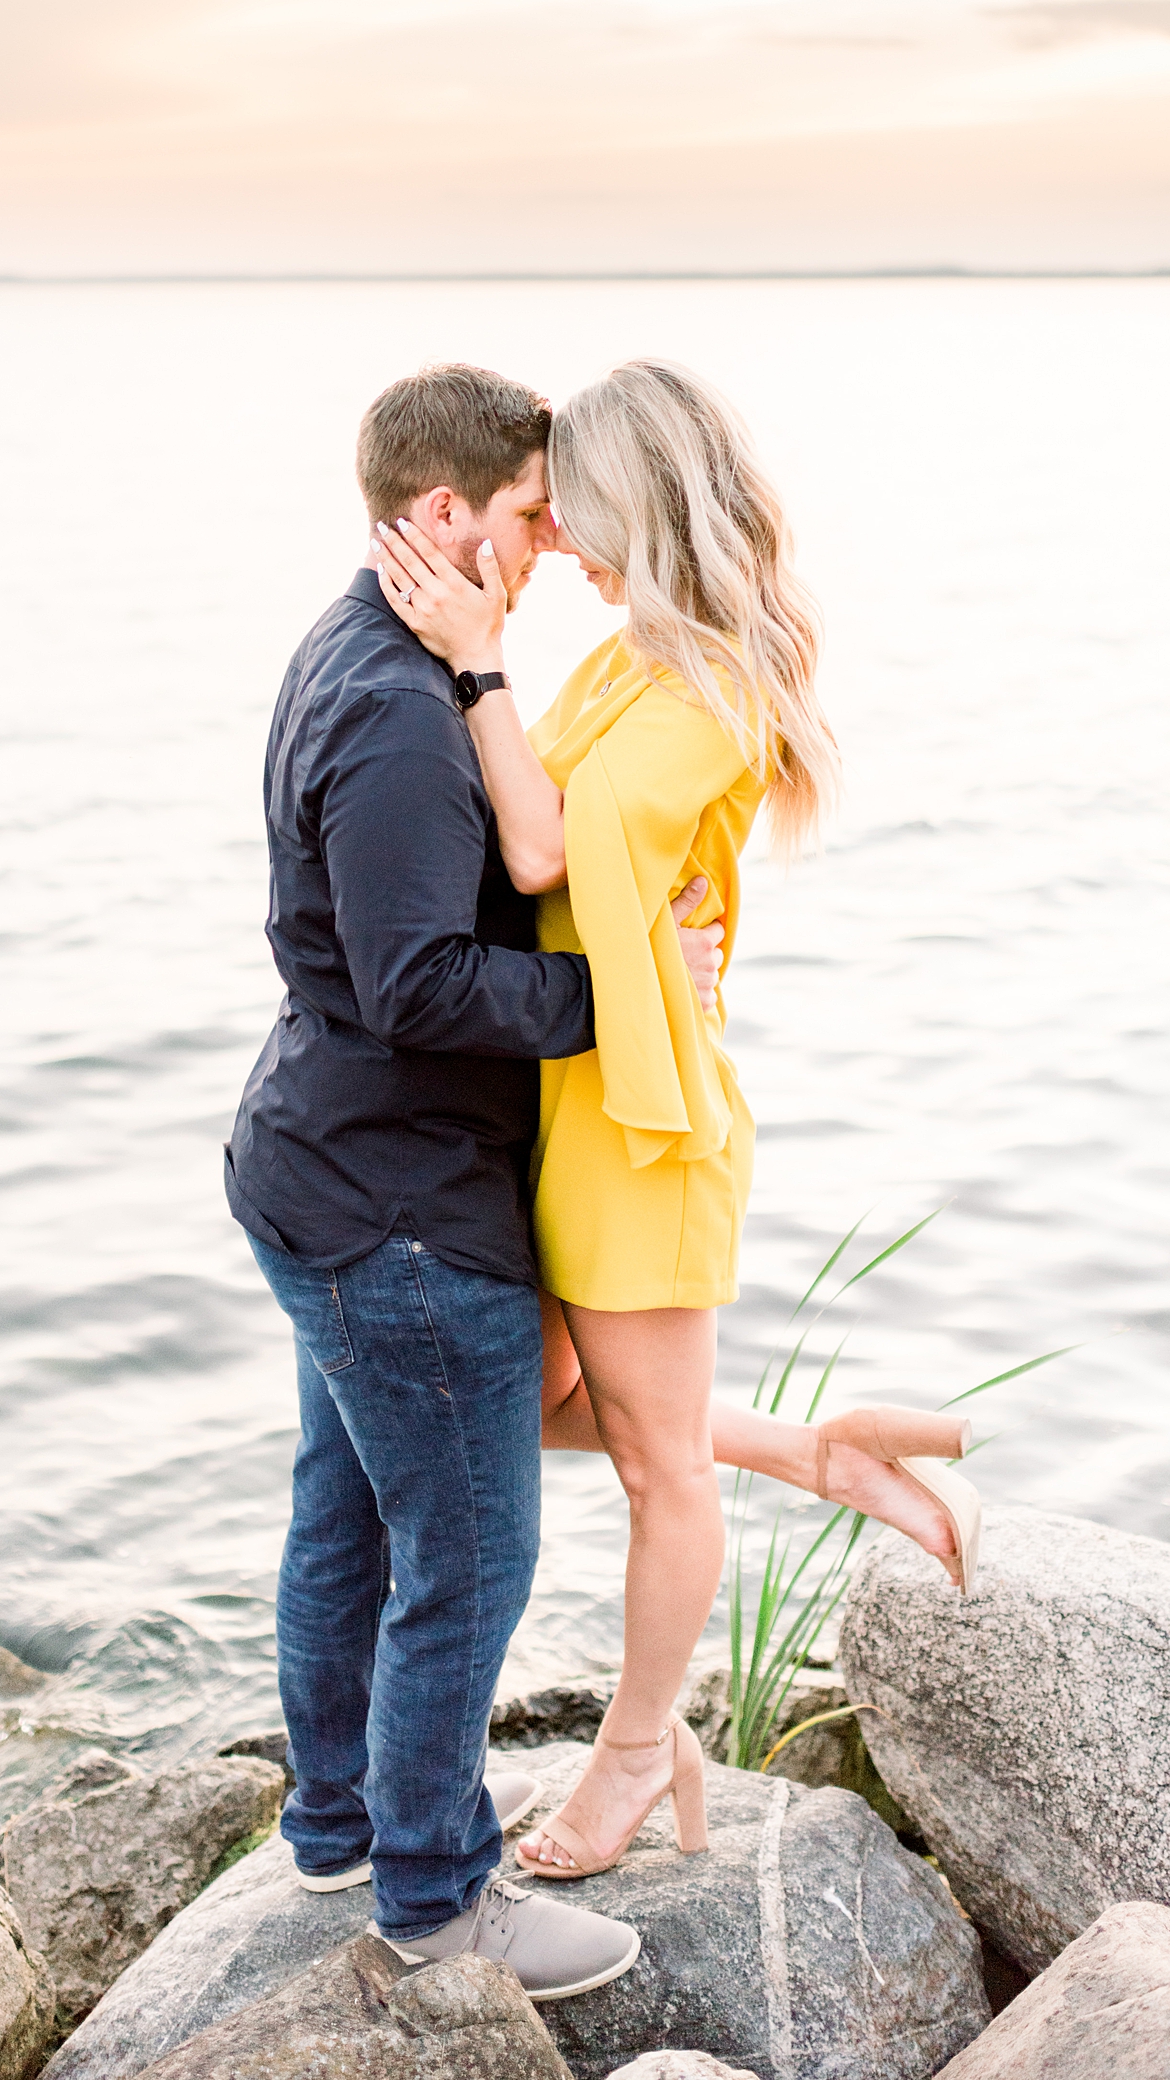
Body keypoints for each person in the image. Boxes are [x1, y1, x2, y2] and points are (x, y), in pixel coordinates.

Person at [372, 355, 980, 1882]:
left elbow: (535, 852)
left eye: (568, 499)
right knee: (522, 1404)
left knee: (652, 1468)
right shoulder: (623, 660)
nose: (552, 530)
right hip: (561, 1091)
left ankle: (638, 1754)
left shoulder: (718, 685)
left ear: (637, 493)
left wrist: (475, 661)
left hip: (642, 1124)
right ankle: (815, 1456)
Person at [224, 364, 728, 1999]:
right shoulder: (389, 699)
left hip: (334, 1160)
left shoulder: (377, 652)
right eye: (526, 513)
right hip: (392, 1194)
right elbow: (417, 984)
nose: (549, 536)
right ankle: (439, 1898)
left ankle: (341, 1823)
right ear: (441, 516)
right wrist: (628, 996)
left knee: (347, 1515)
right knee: (469, 1548)